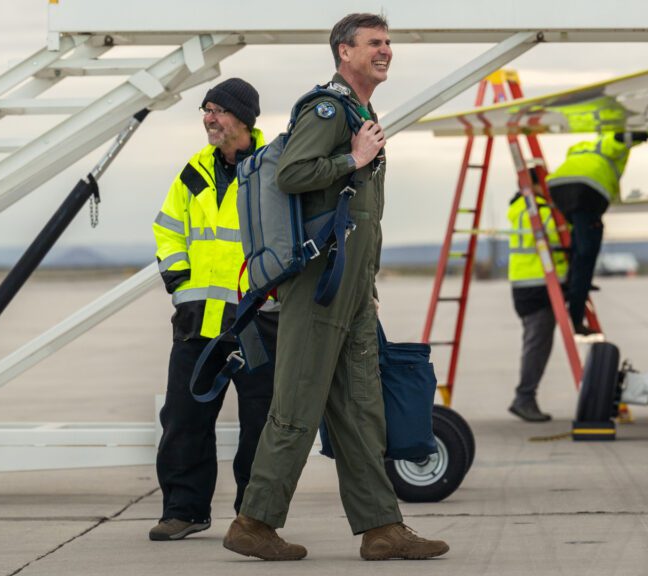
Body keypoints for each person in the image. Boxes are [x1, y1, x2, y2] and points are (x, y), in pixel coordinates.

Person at [222, 13, 449, 562]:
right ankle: (254, 521)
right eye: (374, 43)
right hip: (319, 284)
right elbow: (292, 174)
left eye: (388, 42)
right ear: (344, 52)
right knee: (299, 399)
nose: (386, 50)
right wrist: (355, 157)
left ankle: (381, 527)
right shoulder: (327, 109)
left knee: (360, 407)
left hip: (350, 286)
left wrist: (366, 284)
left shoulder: (360, 110)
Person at [149, 78, 277, 541]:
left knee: (260, 424)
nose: (209, 118)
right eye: (206, 109)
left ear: (243, 119)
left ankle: (254, 517)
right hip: (196, 322)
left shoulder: (273, 168)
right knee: (183, 418)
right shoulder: (193, 172)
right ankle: (184, 510)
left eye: (218, 110)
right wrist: (180, 282)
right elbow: (167, 229)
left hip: (256, 323)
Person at [546, 131, 648, 335]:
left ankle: (575, 279)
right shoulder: (605, 143)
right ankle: (575, 316)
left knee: (580, 238)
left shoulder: (582, 148)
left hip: (558, 188)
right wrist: (645, 134)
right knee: (587, 253)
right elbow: (618, 138)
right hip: (586, 190)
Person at [507, 170, 569, 422]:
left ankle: (525, 396)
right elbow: (559, 234)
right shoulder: (537, 210)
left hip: (528, 286)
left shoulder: (518, 207)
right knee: (537, 344)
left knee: (536, 342)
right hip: (538, 287)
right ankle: (524, 397)